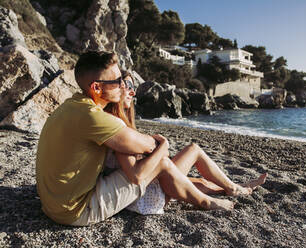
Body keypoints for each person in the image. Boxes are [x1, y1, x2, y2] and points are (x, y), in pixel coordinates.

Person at [36, 51, 266, 227]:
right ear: (96, 87)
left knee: (172, 165)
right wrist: (161, 143)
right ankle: (207, 202)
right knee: (163, 161)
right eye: (116, 81)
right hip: (75, 211)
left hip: (55, 203)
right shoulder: (92, 116)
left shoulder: (73, 106)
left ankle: (228, 188)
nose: (122, 86)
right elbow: (142, 158)